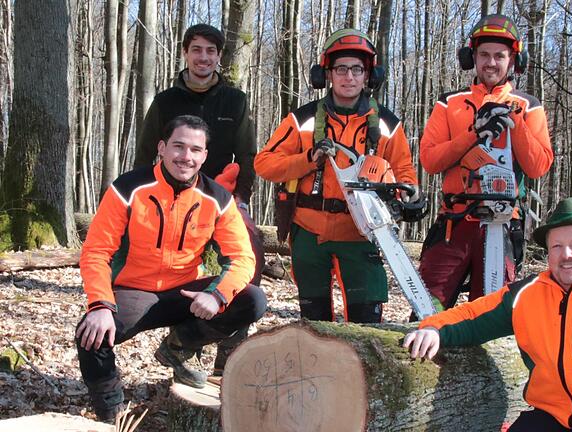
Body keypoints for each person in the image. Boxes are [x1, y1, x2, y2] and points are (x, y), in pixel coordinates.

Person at [404, 197, 572, 432]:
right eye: (556, 247)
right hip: (550, 418)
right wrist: (434, 328)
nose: (565, 255)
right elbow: (474, 314)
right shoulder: (528, 294)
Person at [76, 115, 268, 421]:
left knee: (252, 300)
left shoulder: (217, 198)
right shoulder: (128, 188)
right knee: (90, 333)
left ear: (205, 155)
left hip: (186, 294)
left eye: (195, 150)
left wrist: (217, 294)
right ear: (162, 148)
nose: (186, 157)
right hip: (135, 292)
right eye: (178, 147)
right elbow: (97, 251)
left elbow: (242, 257)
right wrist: (100, 304)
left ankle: (179, 345)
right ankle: (110, 412)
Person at [254, 29, 418, 323]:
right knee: (314, 320)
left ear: (369, 75)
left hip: (362, 231)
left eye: (357, 69)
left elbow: (405, 172)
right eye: (341, 69)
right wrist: (308, 159)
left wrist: (408, 195)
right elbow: (264, 164)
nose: (349, 77)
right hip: (309, 229)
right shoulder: (302, 120)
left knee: (367, 319)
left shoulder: (387, 124)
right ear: (326, 74)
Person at [133, 23, 264, 374]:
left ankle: (227, 352)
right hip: (171, 203)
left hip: (221, 201)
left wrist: (242, 198)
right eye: (197, 50)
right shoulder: (165, 102)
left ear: (219, 57)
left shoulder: (234, 100)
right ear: (185, 54)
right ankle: (182, 345)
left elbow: (248, 155)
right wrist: (142, 201)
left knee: (248, 263)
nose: (203, 57)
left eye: (210, 51)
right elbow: (145, 154)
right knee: (182, 271)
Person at [419, 14, 553, 309]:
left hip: (504, 223)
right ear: (472, 57)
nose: (491, 63)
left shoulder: (528, 106)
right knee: (427, 306)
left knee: (490, 312)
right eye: (484, 55)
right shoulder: (449, 103)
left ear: (514, 60)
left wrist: (515, 122)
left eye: (499, 56)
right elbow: (430, 160)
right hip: (455, 222)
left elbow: (538, 166)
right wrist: (473, 134)